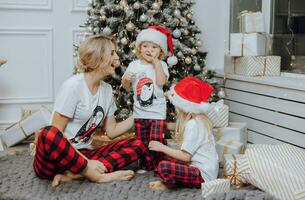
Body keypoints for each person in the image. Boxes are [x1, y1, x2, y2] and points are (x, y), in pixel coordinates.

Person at [32, 34, 145, 187]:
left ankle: (75, 175)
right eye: (112, 53)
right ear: (98, 57)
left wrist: (139, 113)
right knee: (48, 133)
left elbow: (111, 131)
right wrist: (87, 163)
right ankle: (97, 176)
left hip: (84, 154)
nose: (117, 57)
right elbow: (56, 132)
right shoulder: (73, 87)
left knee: (138, 144)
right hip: (56, 158)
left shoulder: (106, 90)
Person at [121, 26, 177, 173]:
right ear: (139, 48)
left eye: (154, 47)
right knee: (142, 141)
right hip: (140, 113)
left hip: (157, 112)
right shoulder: (134, 65)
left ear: (161, 51)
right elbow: (126, 87)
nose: (149, 50)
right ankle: (145, 164)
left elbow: (160, 82)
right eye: (145, 46)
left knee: (155, 141)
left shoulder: (162, 65)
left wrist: (157, 64)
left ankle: (157, 164)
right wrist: (126, 79)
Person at [148, 77, 219, 190]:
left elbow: (185, 157)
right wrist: (165, 126)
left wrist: (162, 147)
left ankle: (170, 184)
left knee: (164, 166)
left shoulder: (193, 125)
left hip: (202, 175)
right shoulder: (199, 121)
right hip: (207, 170)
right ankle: (171, 182)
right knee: (167, 160)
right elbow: (180, 127)